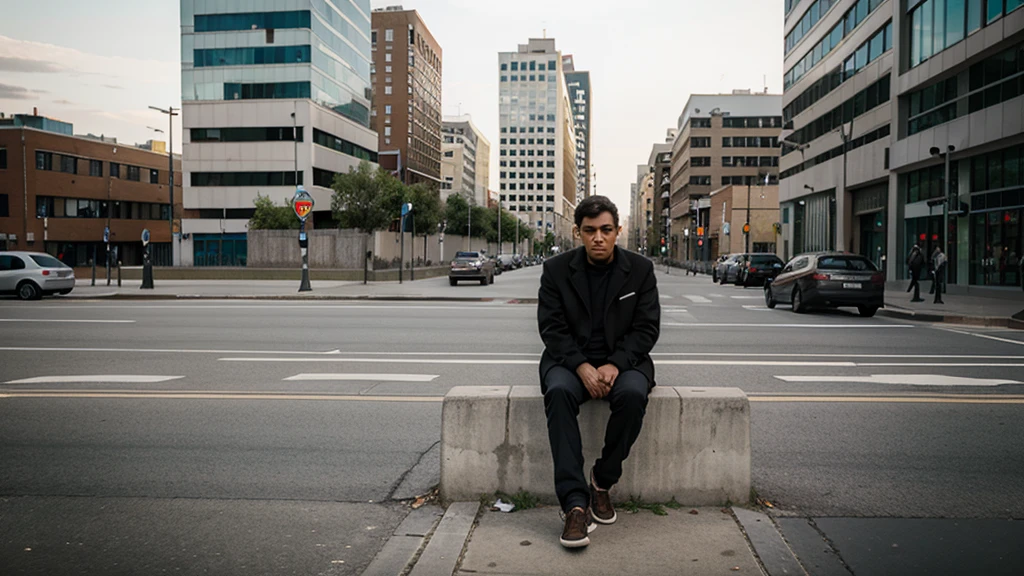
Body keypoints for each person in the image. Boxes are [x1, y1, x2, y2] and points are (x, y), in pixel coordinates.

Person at [537, 195, 661, 549]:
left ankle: (602, 482)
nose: (598, 238)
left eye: (606, 230)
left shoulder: (640, 270)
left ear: (618, 231)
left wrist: (615, 364)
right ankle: (575, 505)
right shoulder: (556, 270)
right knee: (558, 393)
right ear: (578, 232)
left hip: (625, 362)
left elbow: (647, 329)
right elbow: (551, 328)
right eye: (590, 231)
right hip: (568, 361)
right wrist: (581, 366)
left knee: (634, 394)